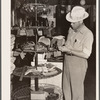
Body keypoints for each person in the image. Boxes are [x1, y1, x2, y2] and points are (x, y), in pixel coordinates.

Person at [58, 6, 94, 100]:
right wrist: (62, 45)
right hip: (67, 62)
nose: (71, 24)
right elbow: (68, 44)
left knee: (76, 92)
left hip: (78, 65)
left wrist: (69, 50)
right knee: (66, 89)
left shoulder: (88, 34)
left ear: (80, 21)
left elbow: (86, 54)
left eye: (73, 22)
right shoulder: (71, 30)